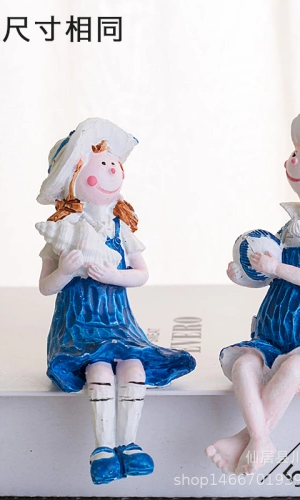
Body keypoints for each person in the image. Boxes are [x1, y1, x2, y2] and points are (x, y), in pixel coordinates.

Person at [36, 118, 196, 485]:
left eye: (114, 163)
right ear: (74, 180)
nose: (112, 168)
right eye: (101, 164)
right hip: (78, 324)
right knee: (98, 371)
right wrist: (66, 270)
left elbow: (141, 274)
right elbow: (46, 287)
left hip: (117, 320)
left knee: (134, 368)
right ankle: (102, 449)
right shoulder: (64, 231)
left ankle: (129, 443)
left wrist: (113, 276)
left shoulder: (120, 229)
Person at [206, 111, 300, 475]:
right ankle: (260, 439)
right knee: (243, 365)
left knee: (292, 369)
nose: (293, 161)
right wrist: (246, 277)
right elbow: (269, 278)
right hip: (272, 336)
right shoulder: (288, 228)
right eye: (294, 154)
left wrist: (275, 268)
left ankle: (249, 438)